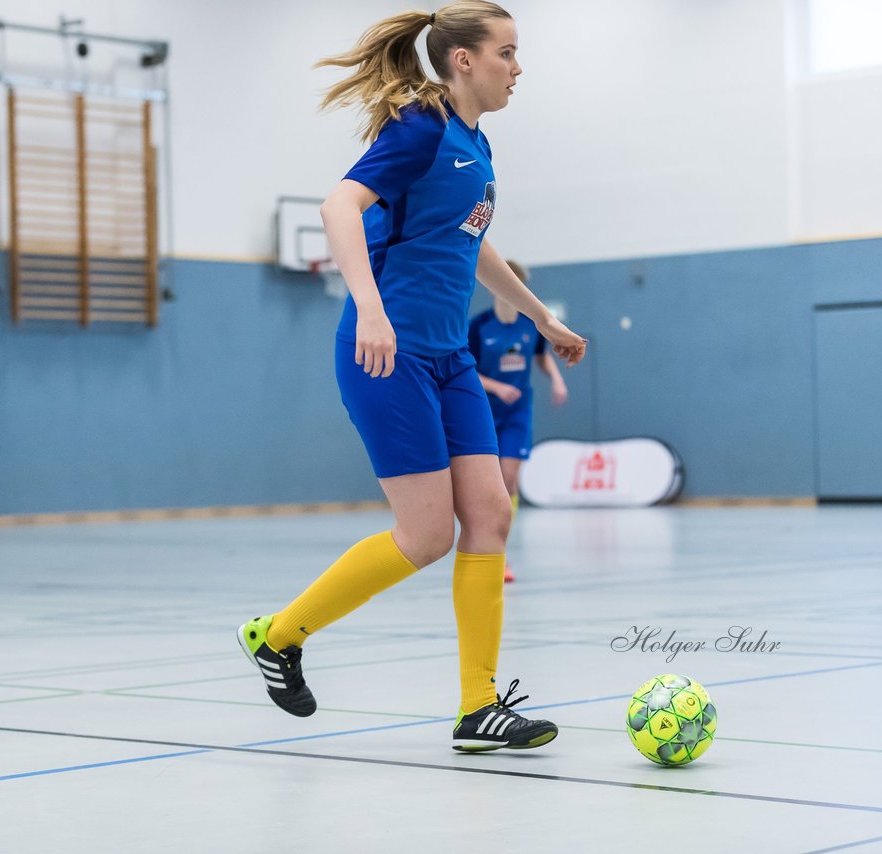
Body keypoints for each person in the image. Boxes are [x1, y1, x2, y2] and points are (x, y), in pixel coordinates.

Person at [237, 1, 586, 751]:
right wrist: (368, 307)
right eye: (507, 52)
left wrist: (539, 319)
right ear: (464, 60)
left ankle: (478, 706)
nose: (519, 67)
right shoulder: (420, 127)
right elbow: (340, 205)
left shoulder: (476, 143)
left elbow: (475, 244)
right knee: (427, 535)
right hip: (386, 354)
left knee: (490, 514)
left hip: (449, 357)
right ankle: (277, 636)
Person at [467, 260, 568, 582]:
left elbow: (540, 355)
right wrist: (496, 386)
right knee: (488, 486)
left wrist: (556, 379)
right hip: (483, 412)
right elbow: (465, 369)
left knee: (507, 480)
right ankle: (484, 549)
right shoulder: (479, 326)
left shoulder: (529, 324)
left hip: (517, 414)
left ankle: (502, 554)